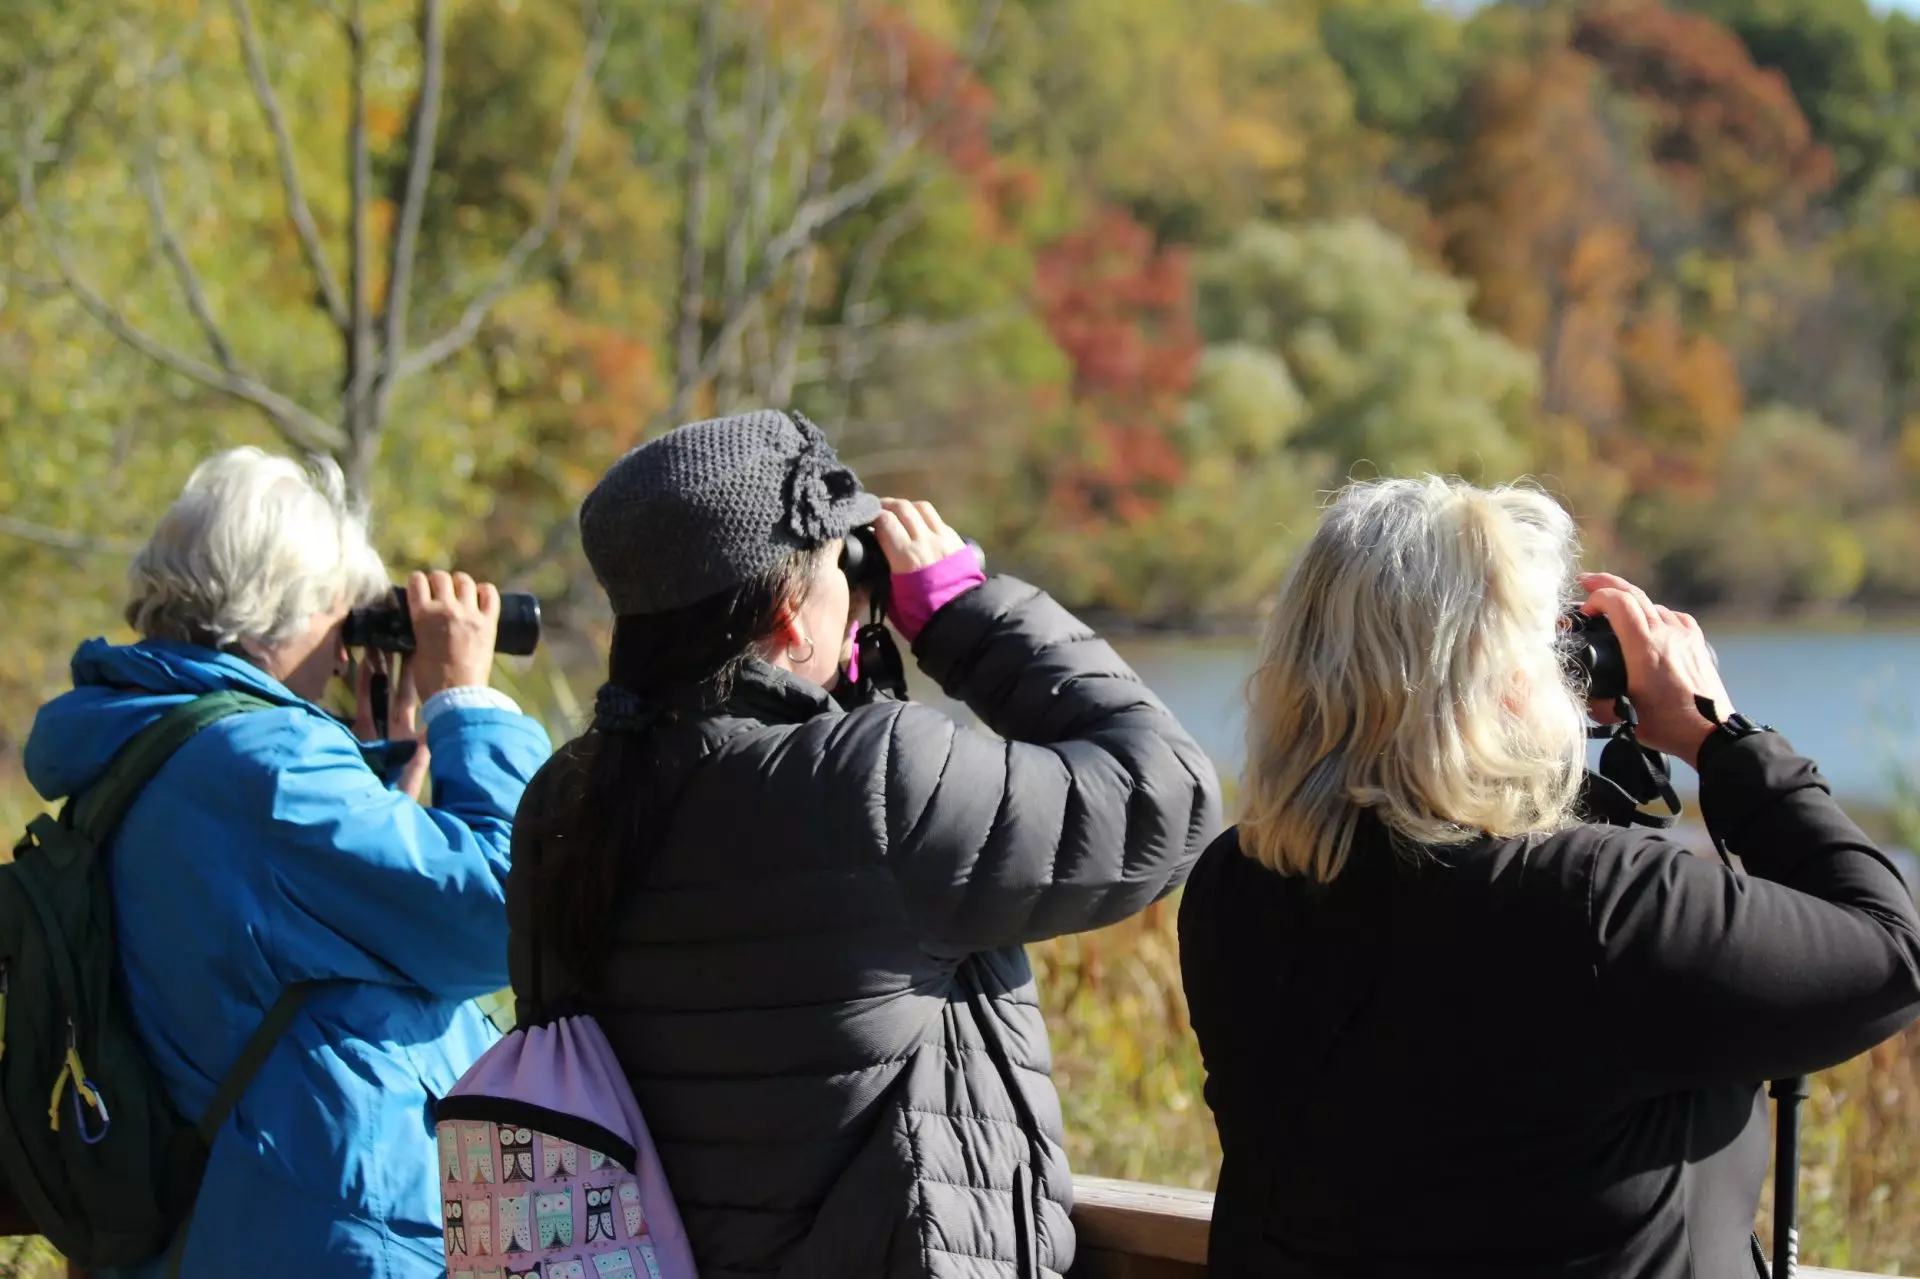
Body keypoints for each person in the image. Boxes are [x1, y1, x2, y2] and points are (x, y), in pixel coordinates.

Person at [506, 410, 1221, 1279]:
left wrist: (823, 695)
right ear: (788, 613)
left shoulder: (564, 798)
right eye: (839, 566)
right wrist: (963, 615)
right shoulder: (876, 778)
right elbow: (1165, 799)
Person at [1179, 476, 1920, 1279]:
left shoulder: (1237, 884)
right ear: (1495, 679)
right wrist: (1722, 738)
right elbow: (1893, 954)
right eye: (1546, 647)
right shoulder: (1603, 909)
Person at [23, 448, 552, 1278]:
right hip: (326, 1247)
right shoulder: (263, 767)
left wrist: (393, 764)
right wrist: (468, 704)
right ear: (277, 612)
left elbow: (292, 931)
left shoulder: (155, 742)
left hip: (237, 1230)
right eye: (341, 623)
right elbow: (505, 910)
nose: (346, 656)